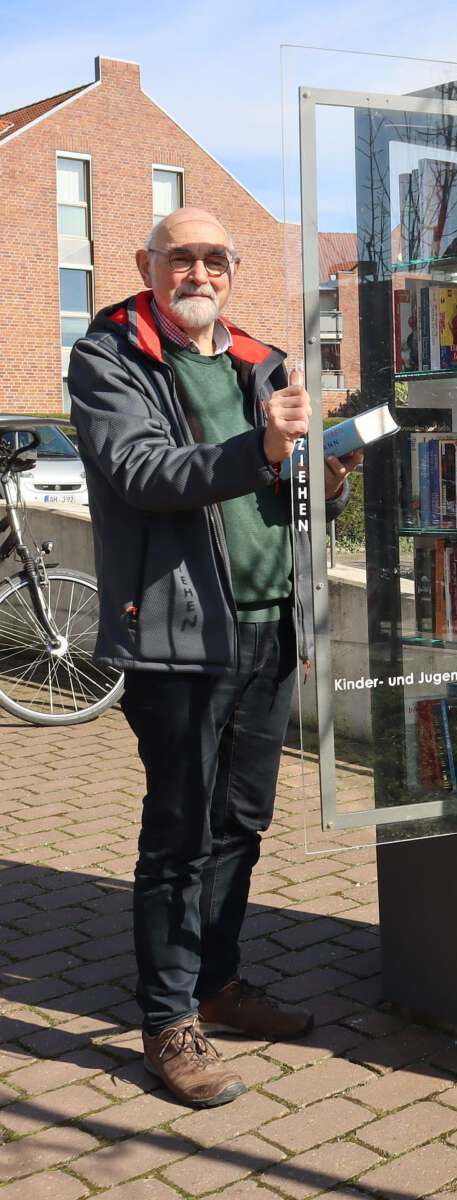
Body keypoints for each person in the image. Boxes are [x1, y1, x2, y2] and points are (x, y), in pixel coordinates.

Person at [68, 207, 362, 1109]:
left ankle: (219, 981)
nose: (199, 272)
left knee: (243, 821)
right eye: (180, 257)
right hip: (178, 633)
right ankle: (167, 1022)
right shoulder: (109, 353)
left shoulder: (260, 358)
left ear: (235, 268)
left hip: (271, 624)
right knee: (179, 832)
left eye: (214, 259)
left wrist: (327, 470)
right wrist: (263, 447)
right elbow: (141, 472)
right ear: (146, 263)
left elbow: (290, 490)